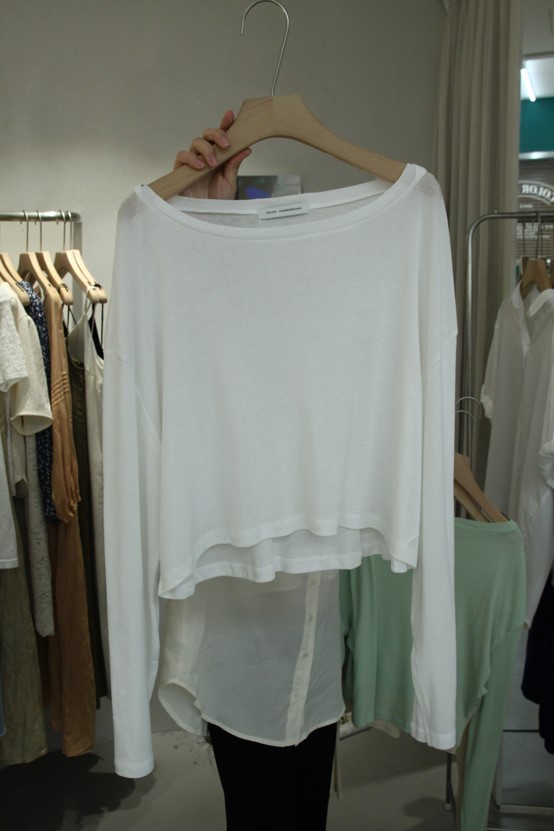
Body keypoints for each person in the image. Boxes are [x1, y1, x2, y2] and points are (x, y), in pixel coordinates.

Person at [171, 111, 339, 831]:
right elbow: (189, 330)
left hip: (318, 645)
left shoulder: (330, 337)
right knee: (261, 813)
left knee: (305, 811)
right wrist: (202, 214)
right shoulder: (218, 346)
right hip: (245, 650)